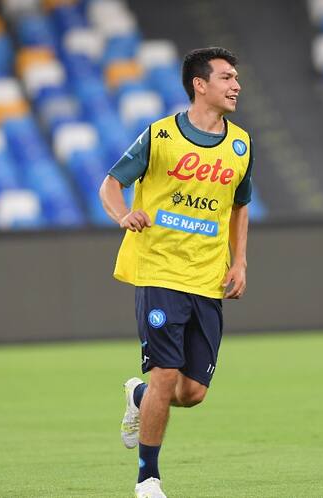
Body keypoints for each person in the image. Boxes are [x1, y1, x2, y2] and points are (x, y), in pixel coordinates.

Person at [98, 46, 254, 498]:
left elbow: (239, 206)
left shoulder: (241, 144)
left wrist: (240, 260)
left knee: (191, 393)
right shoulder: (161, 136)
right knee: (165, 375)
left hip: (208, 277)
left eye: (235, 77)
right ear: (199, 85)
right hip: (159, 270)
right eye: (226, 77)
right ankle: (148, 479)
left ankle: (138, 397)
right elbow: (111, 183)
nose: (236, 85)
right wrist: (123, 215)